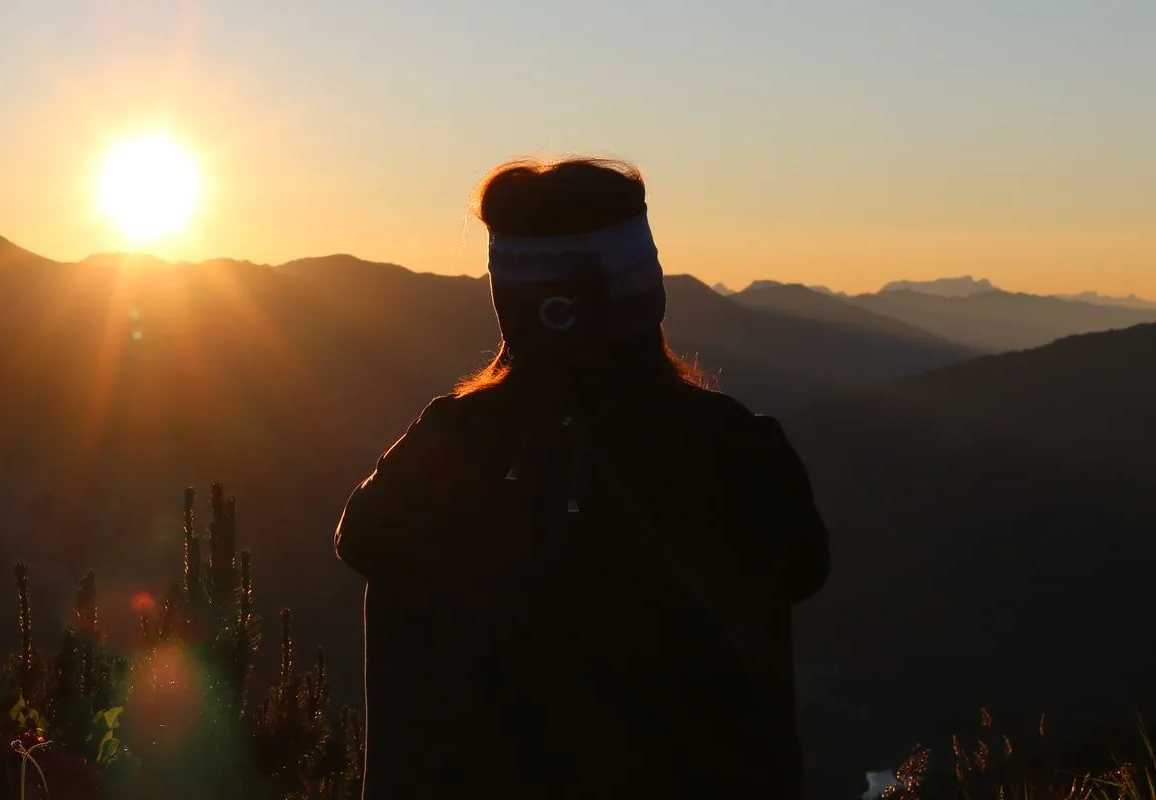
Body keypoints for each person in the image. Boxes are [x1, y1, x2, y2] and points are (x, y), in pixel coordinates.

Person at [333, 157, 830, 798]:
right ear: (646, 291)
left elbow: (362, 540)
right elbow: (803, 569)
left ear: (506, 302)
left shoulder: (448, 444)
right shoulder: (733, 444)